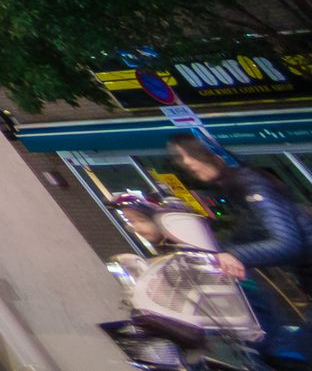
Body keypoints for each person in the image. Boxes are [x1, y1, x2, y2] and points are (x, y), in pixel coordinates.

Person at [168, 135, 311, 366]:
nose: (187, 162)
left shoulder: (250, 184)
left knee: (291, 354)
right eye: (180, 157)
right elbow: (248, 236)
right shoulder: (239, 187)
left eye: (191, 154)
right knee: (288, 352)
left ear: (215, 154)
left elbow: (287, 243)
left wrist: (233, 255)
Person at [102, 194, 262, 368]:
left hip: (234, 346)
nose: (135, 228)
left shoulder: (206, 261)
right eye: (131, 222)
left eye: (140, 220)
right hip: (219, 345)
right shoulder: (183, 257)